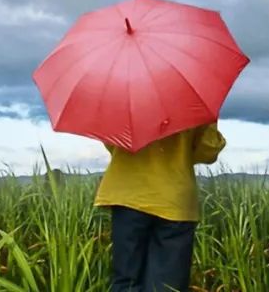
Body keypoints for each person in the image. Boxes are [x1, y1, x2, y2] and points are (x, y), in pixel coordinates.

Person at [94, 121, 226, 292]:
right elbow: (207, 152)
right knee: (167, 286)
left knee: (126, 282)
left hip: (128, 194)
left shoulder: (123, 96)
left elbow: (113, 143)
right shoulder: (194, 102)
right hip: (173, 199)